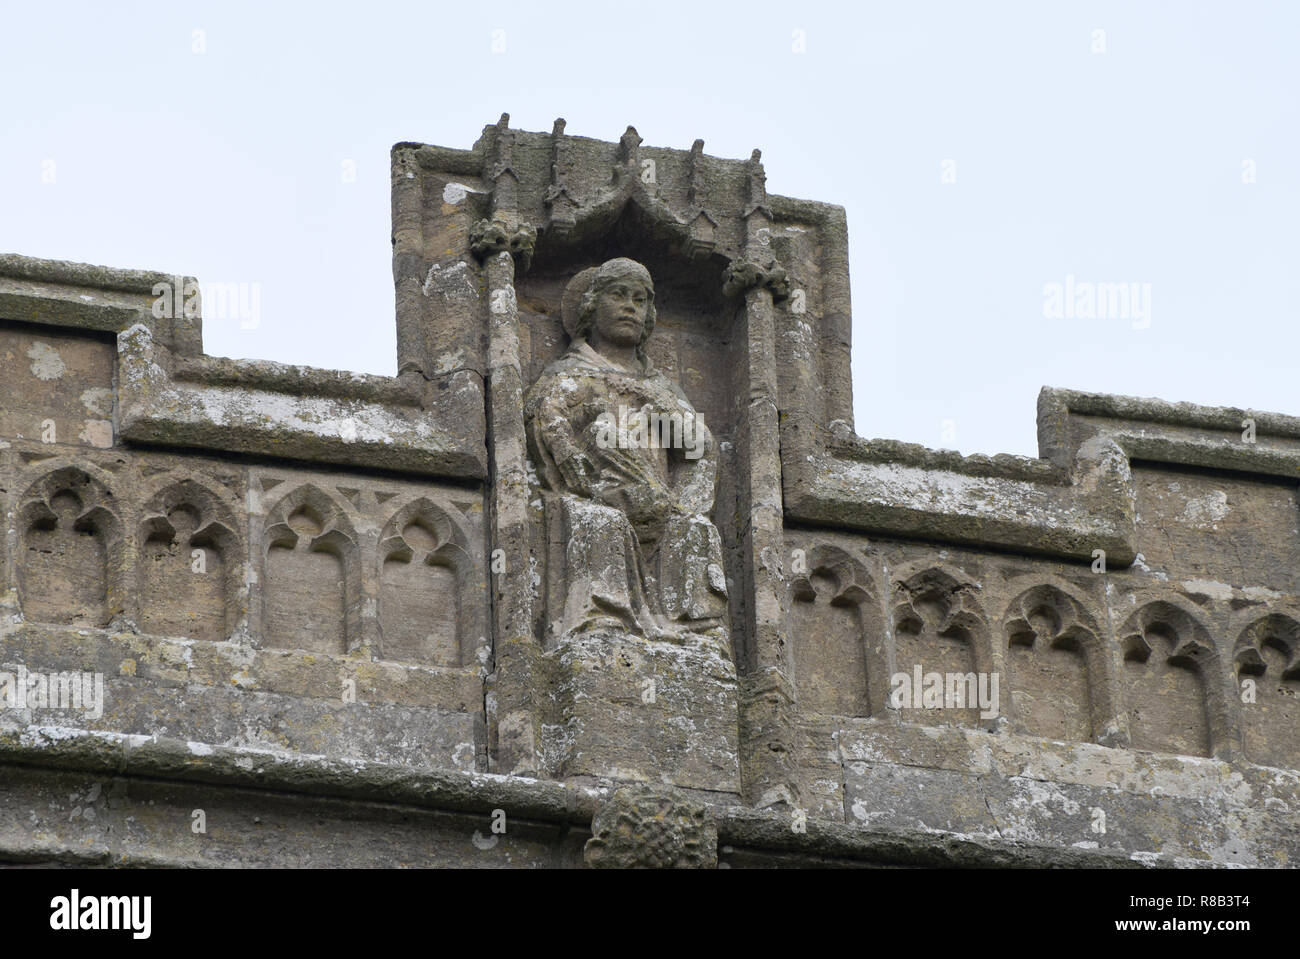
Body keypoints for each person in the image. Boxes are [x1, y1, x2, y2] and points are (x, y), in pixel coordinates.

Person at [525, 258, 728, 648]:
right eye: (618, 295)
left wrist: (664, 410)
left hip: (659, 498)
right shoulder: (570, 374)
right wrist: (571, 443)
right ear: (590, 306)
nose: (631, 306)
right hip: (598, 494)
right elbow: (542, 417)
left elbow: (698, 450)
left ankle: (697, 628)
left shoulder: (659, 385)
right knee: (602, 524)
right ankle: (606, 619)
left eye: (641, 299)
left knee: (695, 530)